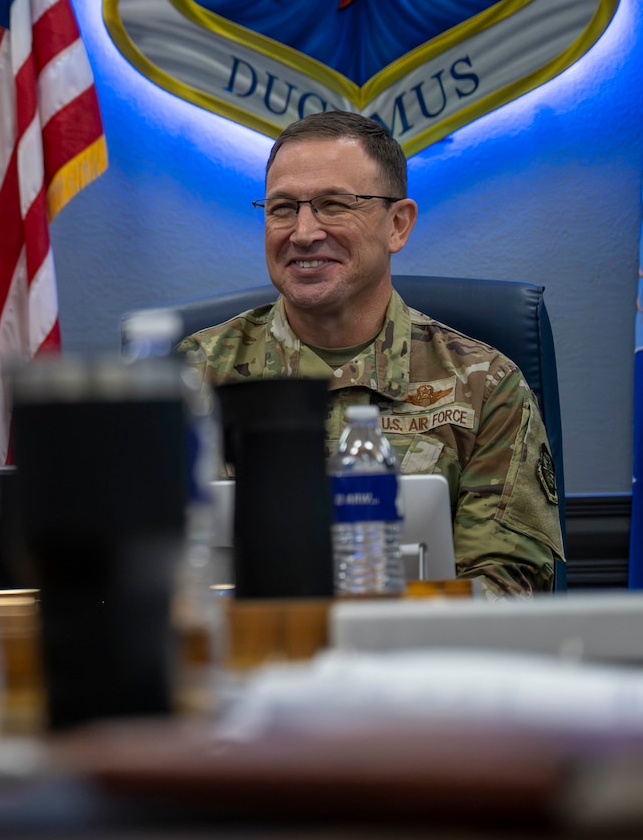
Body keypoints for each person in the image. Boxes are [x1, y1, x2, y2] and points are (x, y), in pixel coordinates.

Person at [180, 109, 562, 594]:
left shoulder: (486, 387)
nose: (302, 232)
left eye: (333, 205)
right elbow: (136, 564)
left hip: (418, 663)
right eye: (282, 209)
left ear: (397, 225)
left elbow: (503, 590)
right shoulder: (189, 377)